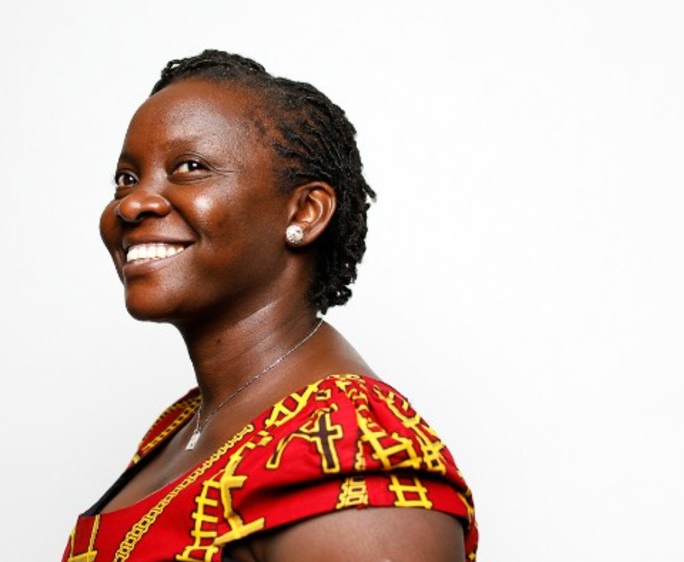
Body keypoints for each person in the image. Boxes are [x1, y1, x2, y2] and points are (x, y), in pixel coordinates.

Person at [63, 50, 478, 562]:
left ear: (304, 211)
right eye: (126, 179)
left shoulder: (350, 449)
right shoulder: (180, 428)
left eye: (190, 168)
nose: (132, 204)